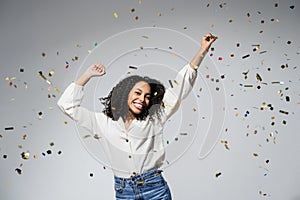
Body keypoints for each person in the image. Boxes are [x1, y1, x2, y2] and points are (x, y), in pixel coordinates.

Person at [57, 33, 217, 200]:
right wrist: (86, 75)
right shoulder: (101, 122)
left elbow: (181, 86)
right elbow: (66, 105)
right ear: (125, 93)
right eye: (138, 93)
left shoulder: (155, 119)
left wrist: (202, 51)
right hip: (123, 190)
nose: (142, 99)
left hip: (154, 188)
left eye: (147, 96)